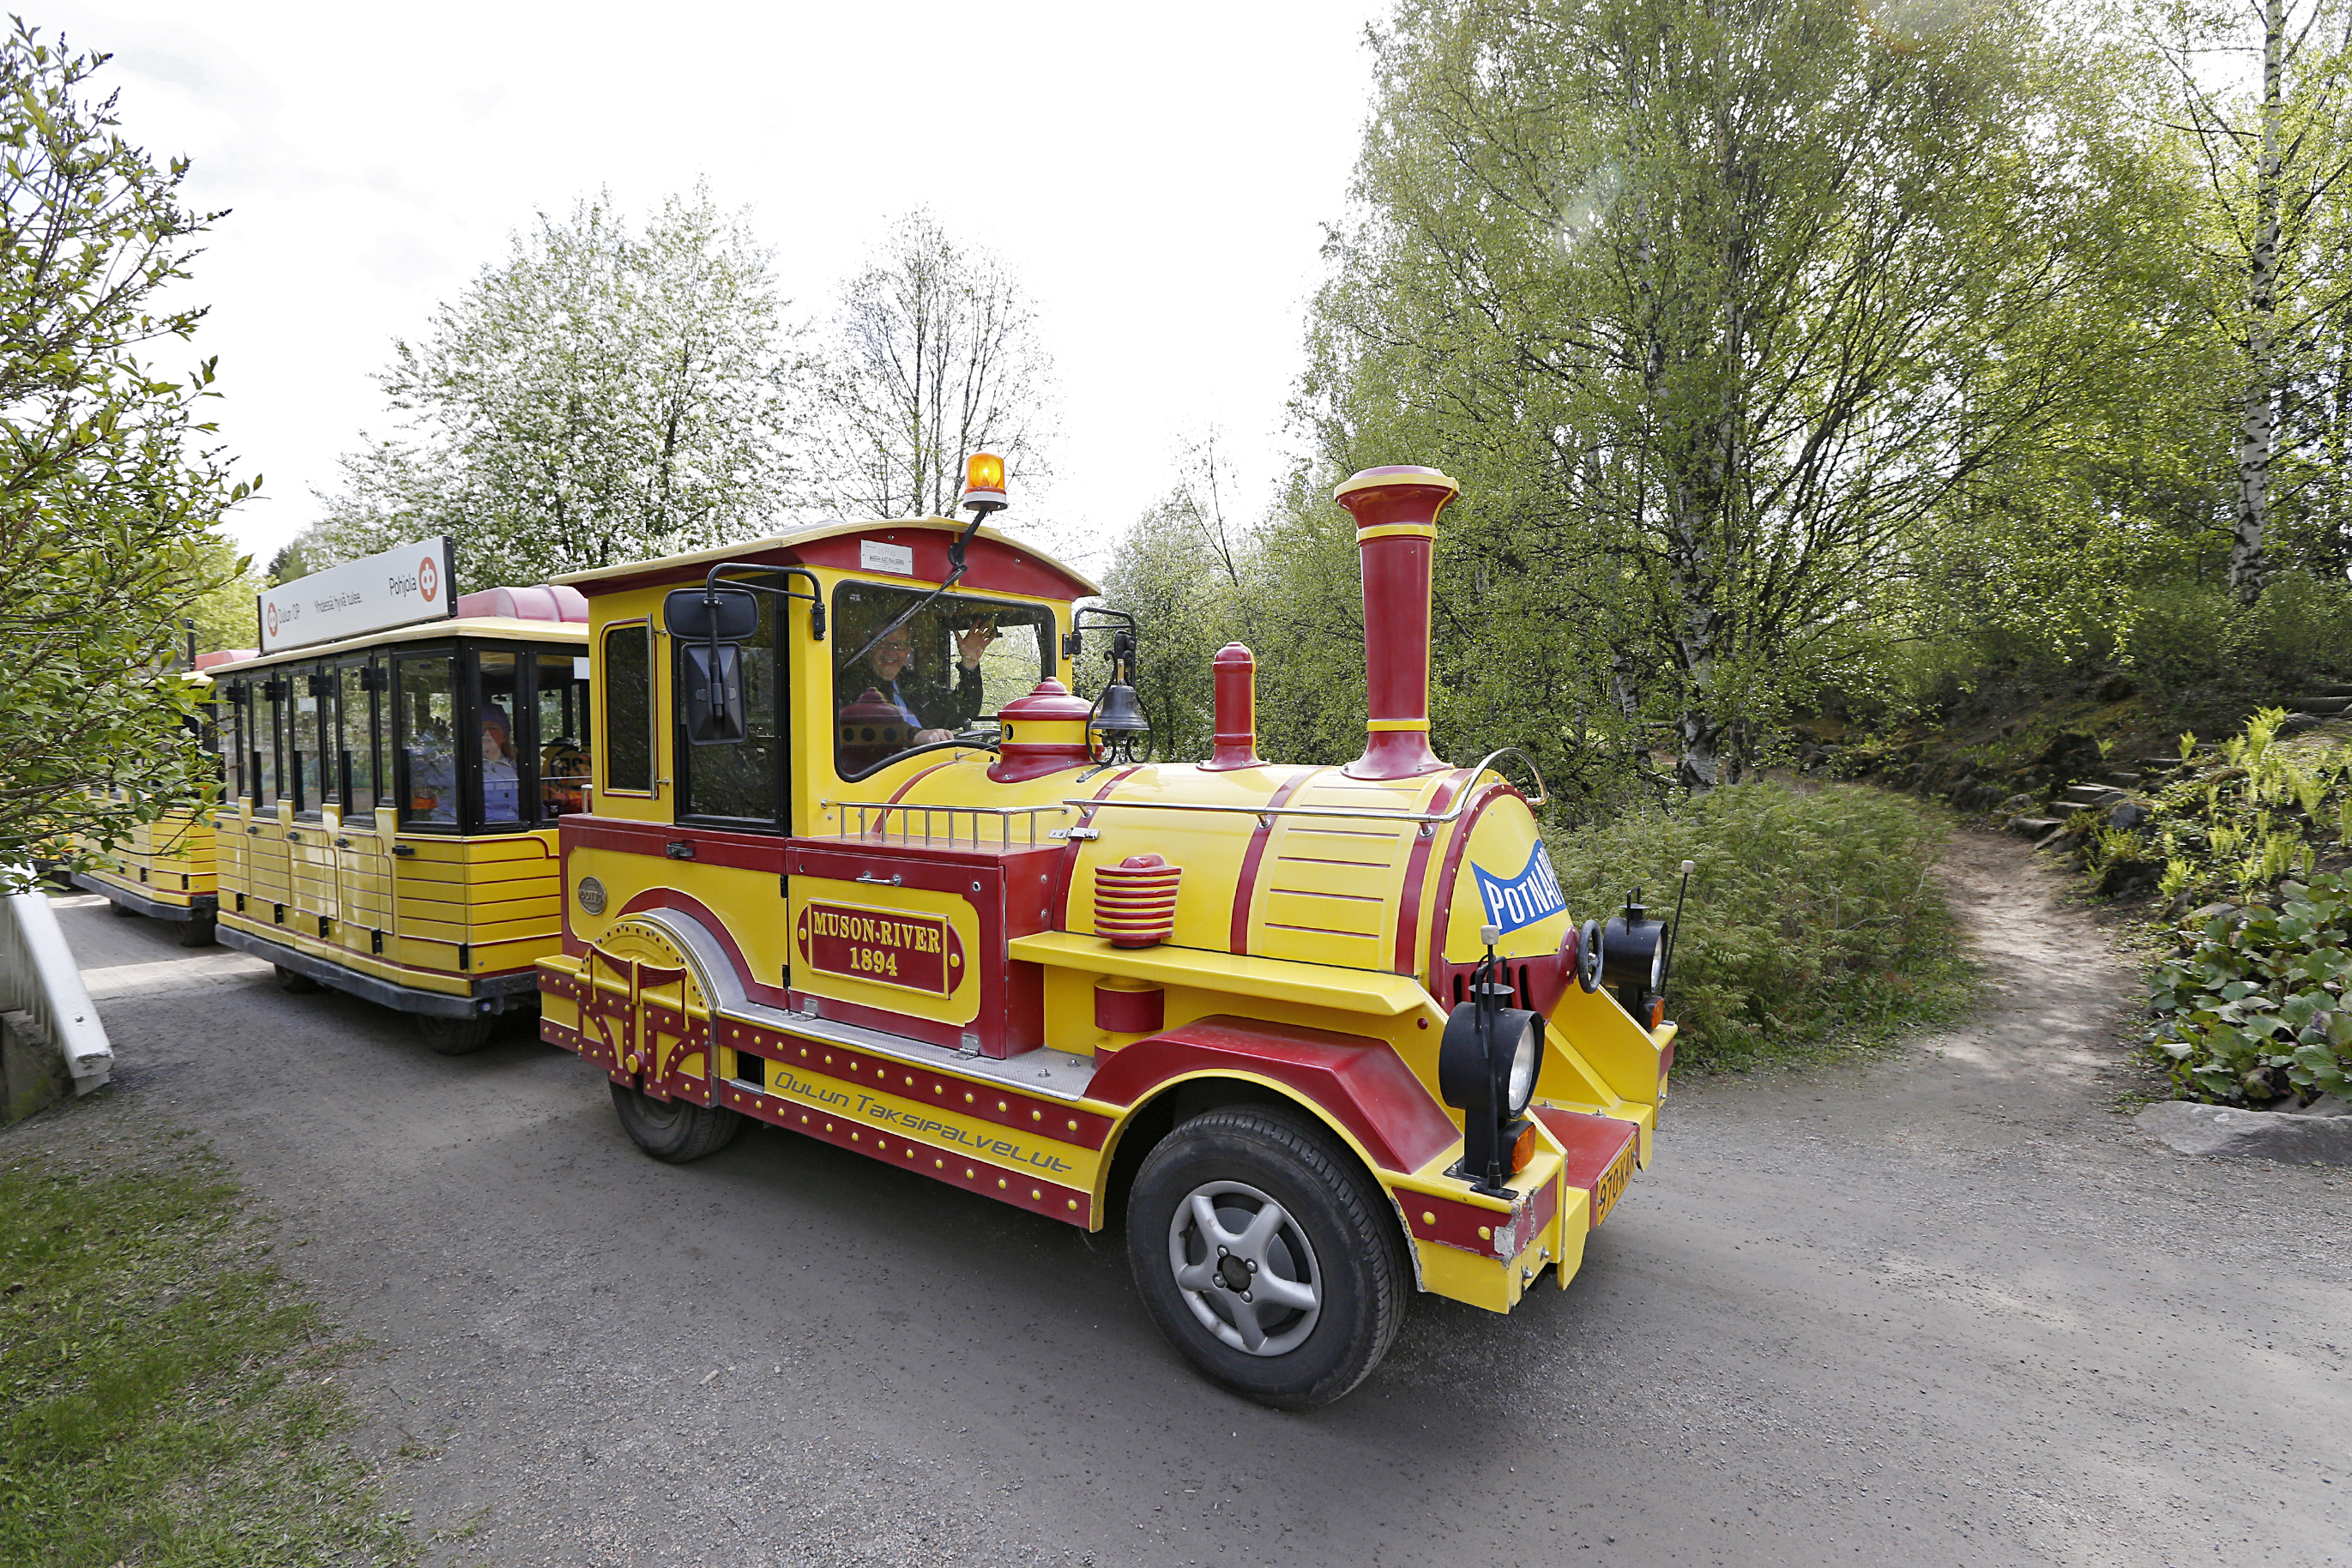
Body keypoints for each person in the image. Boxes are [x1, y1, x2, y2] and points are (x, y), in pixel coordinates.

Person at [835, 616, 998, 746]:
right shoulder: (850, 683)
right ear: (868, 646)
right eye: (882, 643)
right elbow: (868, 721)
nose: (891, 651)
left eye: (900, 644)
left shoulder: (914, 685)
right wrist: (916, 735)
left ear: (908, 650)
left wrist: (969, 664)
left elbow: (964, 709)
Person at [480, 708, 520, 822]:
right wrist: (433, 738)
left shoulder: (518, 769)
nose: (486, 732)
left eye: (492, 728)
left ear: (504, 737)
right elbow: (427, 775)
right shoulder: (457, 766)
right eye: (481, 728)